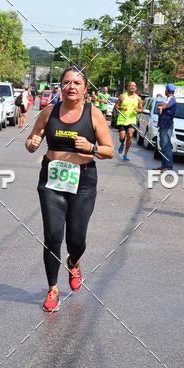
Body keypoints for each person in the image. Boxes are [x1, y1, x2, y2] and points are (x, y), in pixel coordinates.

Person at [25, 66, 114, 313]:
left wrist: (91, 147)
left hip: (83, 180)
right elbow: (32, 140)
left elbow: (109, 150)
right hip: (51, 180)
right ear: (60, 87)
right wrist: (31, 143)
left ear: (85, 89)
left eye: (76, 83)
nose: (71, 87)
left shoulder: (93, 114)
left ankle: (74, 262)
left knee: (77, 239)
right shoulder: (49, 112)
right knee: (52, 237)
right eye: (66, 82)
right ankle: (52, 288)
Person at [116, 80, 143, 161]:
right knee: (122, 137)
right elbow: (116, 106)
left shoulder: (138, 98)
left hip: (132, 119)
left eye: (134, 86)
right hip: (122, 119)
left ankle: (125, 154)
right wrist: (122, 107)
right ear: (128, 87)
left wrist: (138, 110)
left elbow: (141, 109)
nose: (132, 87)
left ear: (136, 88)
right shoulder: (122, 96)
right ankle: (122, 143)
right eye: (131, 85)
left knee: (130, 135)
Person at [156, 84, 177, 172]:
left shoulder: (172, 100)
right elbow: (163, 105)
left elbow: (165, 106)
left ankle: (169, 167)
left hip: (167, 126)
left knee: (167, 146)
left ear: (167, 90)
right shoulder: (168, 99)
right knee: (163, 145)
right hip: (163, 125)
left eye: (165, 89)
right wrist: (160, 106)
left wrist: (161, 107)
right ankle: (164, 165)